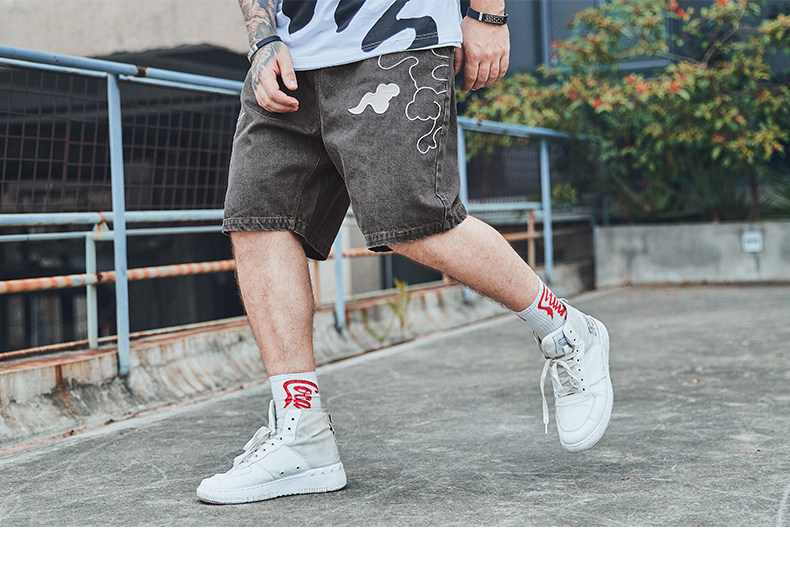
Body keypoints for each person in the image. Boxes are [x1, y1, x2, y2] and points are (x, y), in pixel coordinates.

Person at [196, 0, 613, 505]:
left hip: (393, 36)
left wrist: (488, 15)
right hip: (287, 56)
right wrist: (262, 40)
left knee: (415, 222)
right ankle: (301, 431)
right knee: (259, 222)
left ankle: (566, 329)